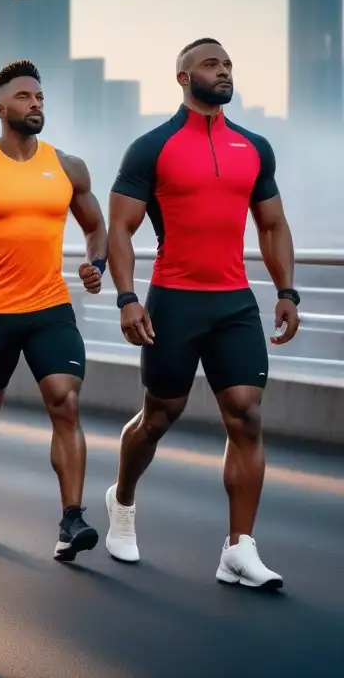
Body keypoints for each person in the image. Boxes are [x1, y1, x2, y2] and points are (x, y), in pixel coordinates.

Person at [105, 38, 299, 589]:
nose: (224, 71)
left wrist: (287, 290)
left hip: (234, 302)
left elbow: (272, 225)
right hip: (174, 300)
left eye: (229, 64)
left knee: (247, 416)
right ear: (183, 77)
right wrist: (127, 297)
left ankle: (239, 549)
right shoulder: (152, 147)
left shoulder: (254, 146)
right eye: (211, 64)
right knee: (159, 416)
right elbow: (121, 228)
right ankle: (122, 503)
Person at [0, 60, 108, 561]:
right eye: (26, 97)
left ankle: (72, 519)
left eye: (41, 97)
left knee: (65, 403)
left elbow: (97, 228)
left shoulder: (68, 167)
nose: (36, 104)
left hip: (51, 307)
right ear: (0, 107)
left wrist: (96, 263)